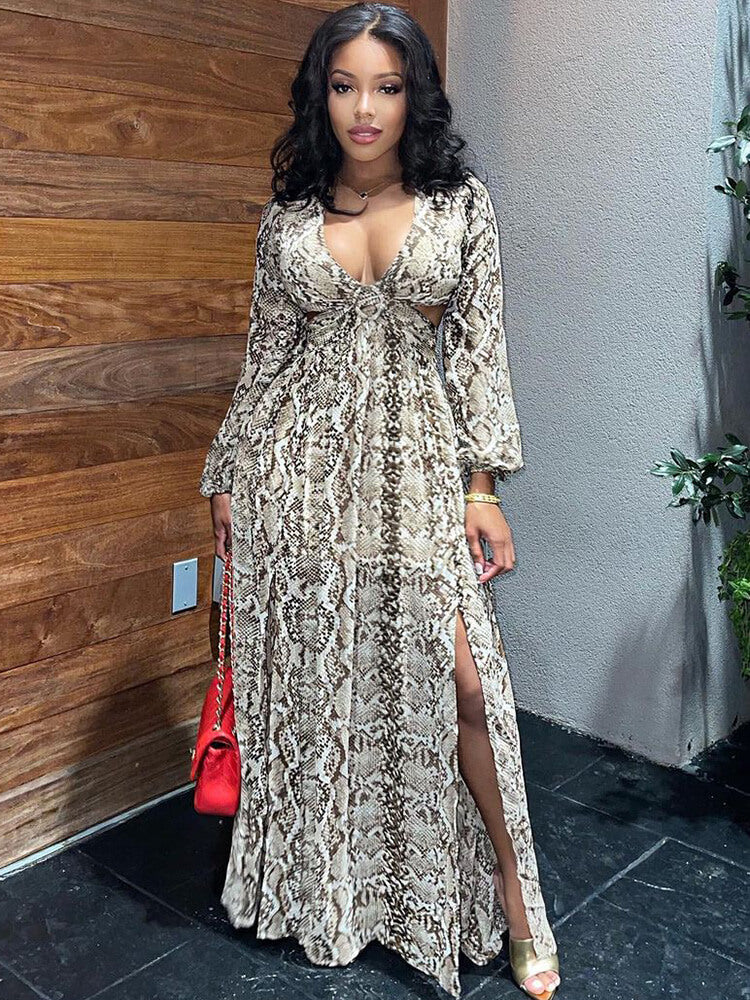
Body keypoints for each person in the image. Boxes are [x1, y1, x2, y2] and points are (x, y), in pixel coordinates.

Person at [198, 4, 561, 997]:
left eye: (387, 87)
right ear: (321, 94)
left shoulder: (459, 205)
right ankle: (337, 896)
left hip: (415, 474)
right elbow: (265, 361)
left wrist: (483, 487)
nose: (365, 108)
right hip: (296, 482)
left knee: (466, 687)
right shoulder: (289, 216)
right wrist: (226, 475)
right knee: (323, 692)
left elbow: (480, 353)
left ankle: (516, 902)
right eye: (345, 85)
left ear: (415, 97)